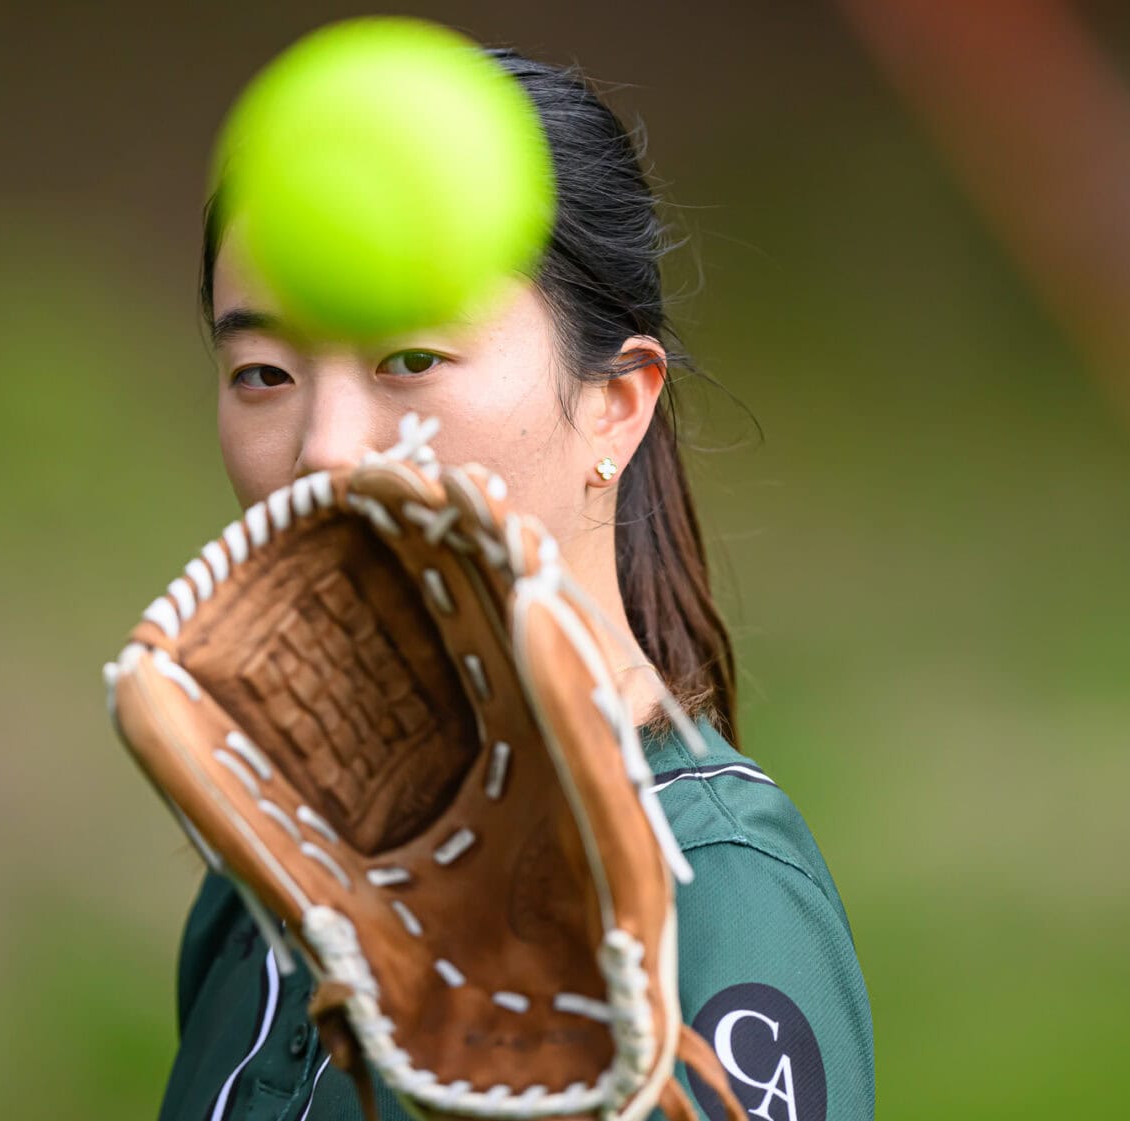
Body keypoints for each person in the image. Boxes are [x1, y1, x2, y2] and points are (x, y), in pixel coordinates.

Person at [158, 48, 874, 1121]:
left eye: (409, 359)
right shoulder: (270, 874)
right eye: (266, 374)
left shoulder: (716, 904)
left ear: (617, 404)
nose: (324, 450)